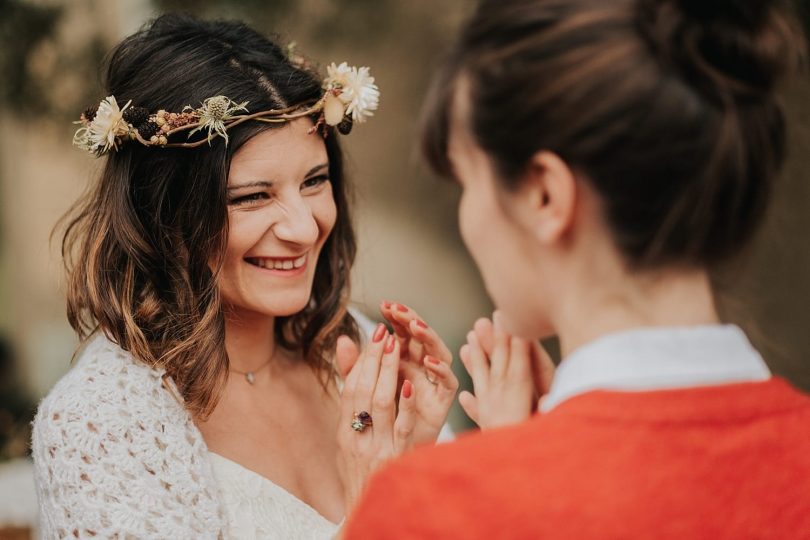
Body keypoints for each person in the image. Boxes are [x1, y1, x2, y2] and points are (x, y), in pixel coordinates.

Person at [344, 0, 810, 538]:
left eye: (467, 182)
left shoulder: (433, 507)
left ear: (544, 195)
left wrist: (485, 481)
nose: (467, 215)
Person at [32, 14, 457, 539]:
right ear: (166, 214)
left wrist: (432, 460)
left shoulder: (356, 346)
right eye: (253, 196)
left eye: (315, 181)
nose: (304, 229)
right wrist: (378, 505)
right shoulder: (99, 426)